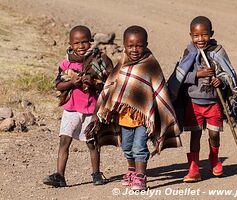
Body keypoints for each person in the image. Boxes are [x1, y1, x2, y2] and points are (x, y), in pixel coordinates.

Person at [90, 25, 181, 191]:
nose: (134, 49)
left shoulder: (150, 63)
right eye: (130, 46)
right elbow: (111, 85)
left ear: (146, 44)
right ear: (124, 45)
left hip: (143, 119)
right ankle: (131, 171)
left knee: (139, 147)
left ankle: (140, 177)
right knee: (126, 147)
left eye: (139, 45)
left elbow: (159, 90)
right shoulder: (122, 62)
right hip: (124, 117)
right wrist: (103, 107)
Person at [168, 16, 237, 182]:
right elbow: (179, 77)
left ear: (211, 33)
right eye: (196, 36)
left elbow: (228, 74)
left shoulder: (217, 51)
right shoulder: (188, 52)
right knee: (195, 135)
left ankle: (214, 158)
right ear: (191, 35)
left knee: (214, 134)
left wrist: (221, 80)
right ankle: (194, 168)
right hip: (193, 103)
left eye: (204, 35)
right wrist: (198, 74)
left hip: (213, 103)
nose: (200, 39)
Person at [43, 25, 113, 187]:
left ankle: (96, 174)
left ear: (90, 42)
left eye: (84, 42)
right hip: (71, 109)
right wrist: (72, 83)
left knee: (92, 143)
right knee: (64, 142)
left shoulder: (99, 60)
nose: (81, 46)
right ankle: (60, 175)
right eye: (77, 43)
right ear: (70, 44)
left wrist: (94, 83)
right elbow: (58, 85)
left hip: (91, 110)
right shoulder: (66, 64)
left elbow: (109, 83)